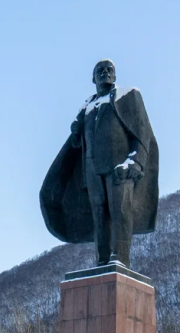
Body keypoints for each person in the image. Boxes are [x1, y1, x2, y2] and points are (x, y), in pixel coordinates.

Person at [40, 59, 159, 269]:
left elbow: (142, 132)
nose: (105, 73)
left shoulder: (127, 96)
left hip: (119, 167)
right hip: (92, 170)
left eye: (109, 70)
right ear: (93, 78)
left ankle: (120, 259)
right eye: (99, 71)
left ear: (115, 76)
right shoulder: (87, 106)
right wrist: (76, 133)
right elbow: (78, 144)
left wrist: (135, 162)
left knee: (120, 211)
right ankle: (102, 260)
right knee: (98, 215)